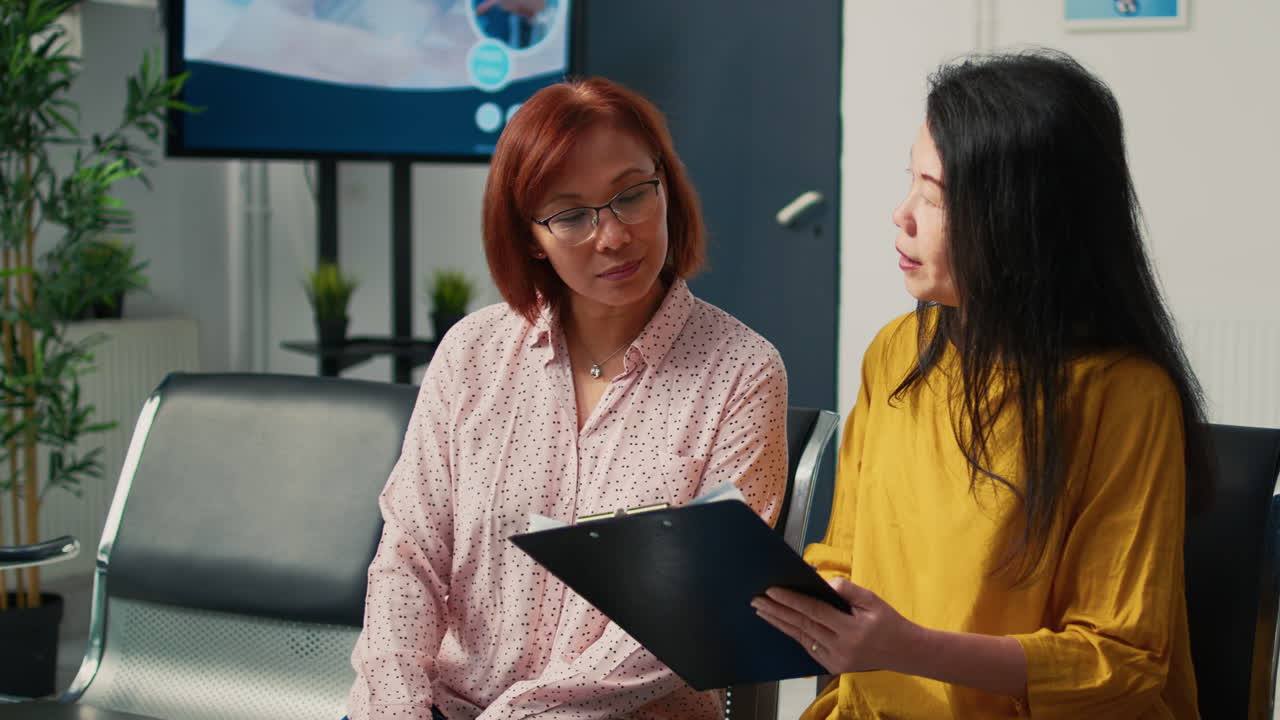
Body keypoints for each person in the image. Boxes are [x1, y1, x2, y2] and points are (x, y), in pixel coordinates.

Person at [752, 49, 1209, 719]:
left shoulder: (1125, 397)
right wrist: (806, 598)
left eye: (934, 196)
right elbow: (845, 553)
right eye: (910, 181)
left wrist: (905, 647)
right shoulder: (896, 353)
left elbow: (1119, 662)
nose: (902, 214)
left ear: (1024, 218)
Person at [345, 76, 789, 720]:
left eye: (631, 195)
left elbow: (695, 605)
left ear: (666, 188)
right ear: (531, 236)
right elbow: (409, 556)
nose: (612, 237)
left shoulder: (742, 371)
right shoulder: (472, 352)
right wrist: (396, 707)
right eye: (571, 215)